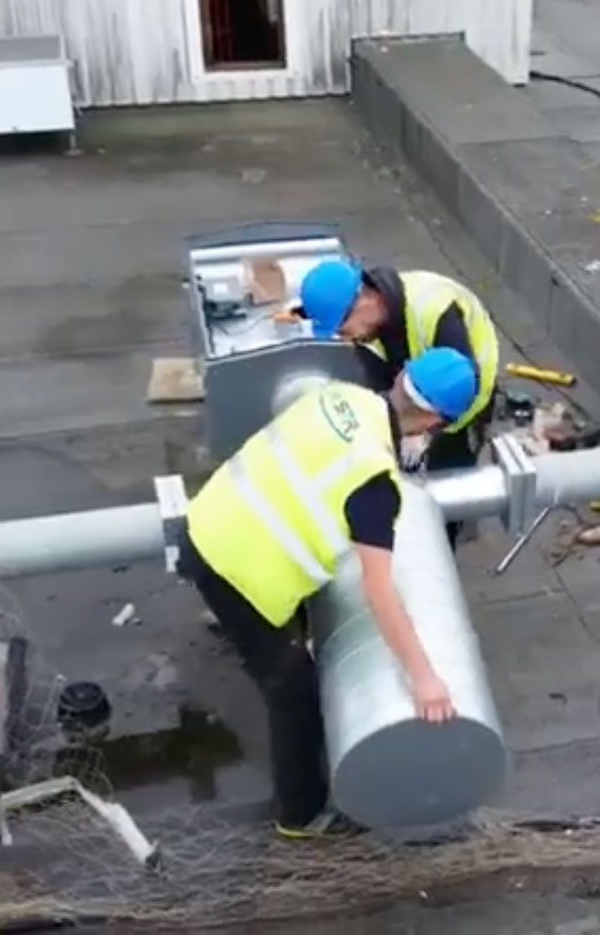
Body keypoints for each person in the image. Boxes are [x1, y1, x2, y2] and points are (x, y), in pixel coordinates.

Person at [176, 348, 481, 838]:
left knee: (289, 660)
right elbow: (379, 589)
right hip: (232, 571)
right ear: (433, 421)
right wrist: (424, 678)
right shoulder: (375, 483)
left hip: (208, 521)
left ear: (402, 375)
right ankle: (301, 817)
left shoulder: (340, 398)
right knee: (293, 689)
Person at [297, 259, 501, 543]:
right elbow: (379, 382)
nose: (343, 337)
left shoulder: (434, 309)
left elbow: (460, 384)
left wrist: (428, 432)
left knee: (448, 480)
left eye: (342, 328)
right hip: (424, 391)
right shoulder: (368, 330)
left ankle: (443, 542)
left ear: (364, 299)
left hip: (467, 404)